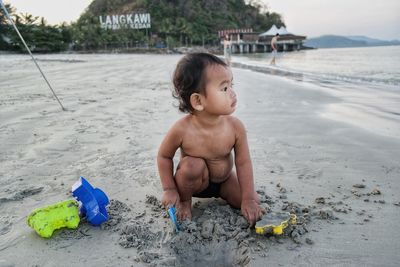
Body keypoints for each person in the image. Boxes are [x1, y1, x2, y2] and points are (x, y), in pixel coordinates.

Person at [157, 53, 265, 226]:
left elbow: (243, 162)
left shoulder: (235, 127)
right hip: (194, 184)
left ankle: (239, 196)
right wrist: (169, 189)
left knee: (252, 200)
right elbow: (164, 157)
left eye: (232, 85)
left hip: (224, 181)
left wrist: (248, 199)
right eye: (224, 89)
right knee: (191, 166)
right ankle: (186, 202)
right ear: (198, 100)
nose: (233, 93)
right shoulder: (182, 129)